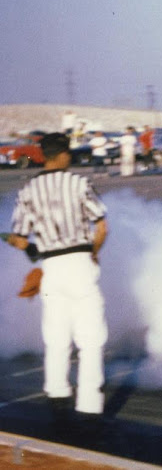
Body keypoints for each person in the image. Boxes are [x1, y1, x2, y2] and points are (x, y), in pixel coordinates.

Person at [5, 132, 108, 428]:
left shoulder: (28, 190)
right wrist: (95, 253)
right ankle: (89, 408)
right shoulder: (79, 184)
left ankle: (58, 401)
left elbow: (20, 239)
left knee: (56, 339)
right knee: (90, 340)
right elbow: (102, 226)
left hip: (51, 267)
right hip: (80, 264)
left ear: (42, 155)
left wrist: (27, 246)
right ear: (64, 154)